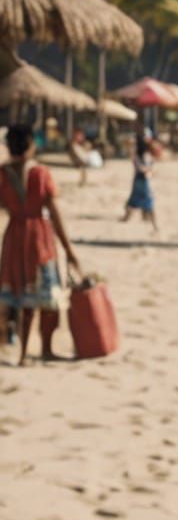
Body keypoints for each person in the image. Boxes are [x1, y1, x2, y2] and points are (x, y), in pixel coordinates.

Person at [2, 123, 82, 364]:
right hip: (39, 237)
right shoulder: (40, 173)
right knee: (46, 295)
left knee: (19, 294)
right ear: (30, 144)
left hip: (14, 237)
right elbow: (54, 212)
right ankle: (44, 348)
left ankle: (22, 352)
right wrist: (69, 249)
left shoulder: (3, 174)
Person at [121, 127, 160, 233]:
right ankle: (154, 225)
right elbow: (144, 167)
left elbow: (143, 166)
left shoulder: (142, 154)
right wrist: (149, 170)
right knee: (145, 203)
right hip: (141, 181)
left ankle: (128, 219)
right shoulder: (142, 154)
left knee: (134, 203)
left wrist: (149, 170)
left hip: (140, 180)